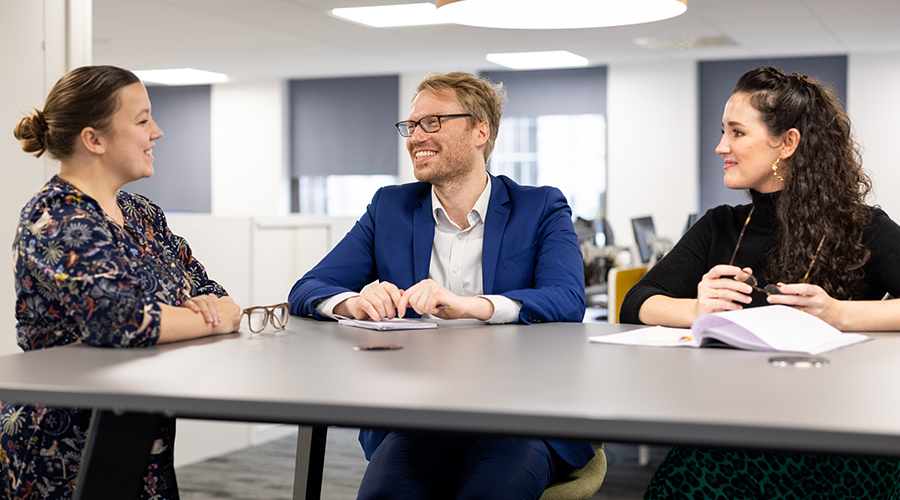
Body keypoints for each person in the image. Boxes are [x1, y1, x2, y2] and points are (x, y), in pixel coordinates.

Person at [288, 72, 593, 499]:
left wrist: (470, 305)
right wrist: (351, 302)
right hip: (420, 416)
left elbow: (567, 299)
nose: (415, 137)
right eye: (411, 126)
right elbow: (308, 288)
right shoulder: (390, 208)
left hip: (520, 413)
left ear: (479, 131)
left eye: (432, 123)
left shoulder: (540, 206)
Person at [621, 66, 900, 499]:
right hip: (737, 427)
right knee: (687, 475)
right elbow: (636, 301)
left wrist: (840, 313)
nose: (721, 147)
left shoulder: (861, 225)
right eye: (722, 131)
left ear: (787, 143)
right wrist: (696, 308)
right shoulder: (720, 225)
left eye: (736, 133)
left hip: (840, 437)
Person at [3, 65, 242, 500]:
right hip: (65, 445)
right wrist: (209, 320)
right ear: (94, 139)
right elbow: (121, 321)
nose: (158, 131)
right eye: (142, 120)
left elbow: (212, 293)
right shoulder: (56, 218)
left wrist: (190, 312)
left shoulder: (141, 213)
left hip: (140, 429)